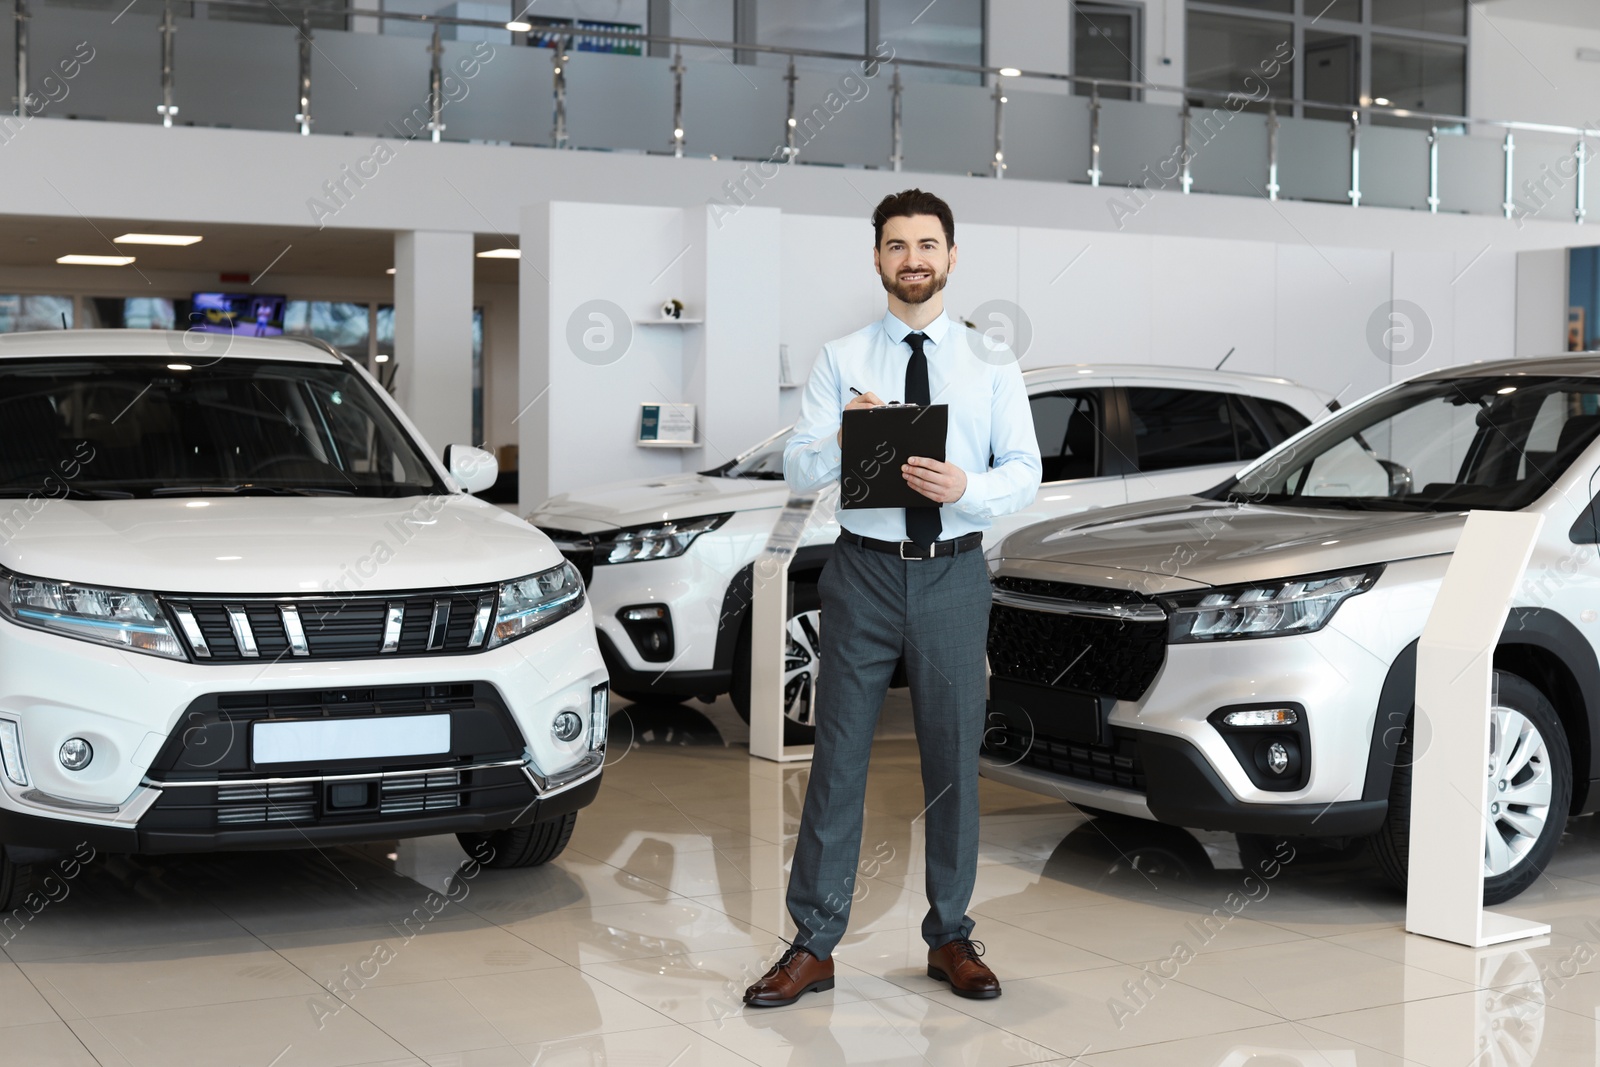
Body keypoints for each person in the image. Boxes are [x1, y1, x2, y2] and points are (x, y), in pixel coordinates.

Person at [742, 188, 1041, 1007]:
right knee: (837, 758)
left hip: (952, 570)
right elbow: (795, 471)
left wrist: (964, 484)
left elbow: (1025, 473)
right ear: (876, 257)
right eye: (898, 245)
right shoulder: (841, 358)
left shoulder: (991, 361)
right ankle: (814, 943)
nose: (914, 258)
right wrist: (843, 433)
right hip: (863, 570)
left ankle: (950, 935)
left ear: (951, 257)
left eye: (928, 244)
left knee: (952, 760)